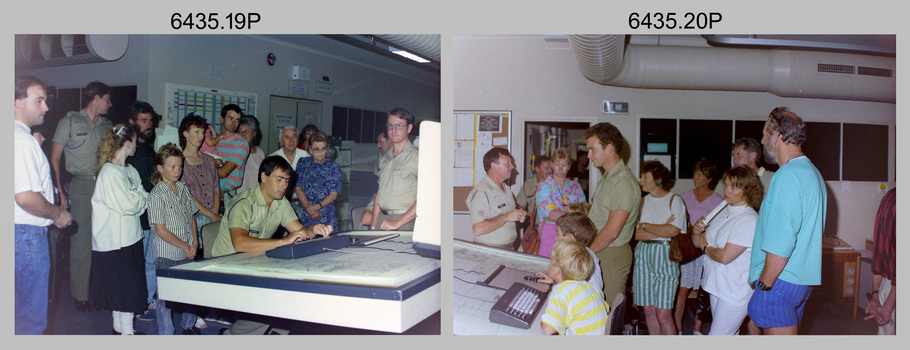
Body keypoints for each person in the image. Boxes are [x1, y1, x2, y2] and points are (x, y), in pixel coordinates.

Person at [209, 156, 332, 335]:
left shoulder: (280, 202)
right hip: (224, 267)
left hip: (253, 262)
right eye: (279, 180)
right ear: (264, 177)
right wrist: (282, 241)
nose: (284, 186)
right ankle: (233, 336)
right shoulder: (243, 203)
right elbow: (239, 243)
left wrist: (314, 230)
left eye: (287, 181)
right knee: (272, 298)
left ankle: (272, 333)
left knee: (292, 292)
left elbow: (299, 232)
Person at [747, 107, 827, 335]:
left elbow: (782, 240)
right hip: (801, 280)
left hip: (781, 280)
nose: (762, 141)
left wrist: (765, 282)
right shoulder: (812, 172)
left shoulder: (787, 176)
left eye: (765, 134)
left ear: (778, 136)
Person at [15, 75, 73, 334]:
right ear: (17, 102)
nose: (46, 108)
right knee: (30, 318)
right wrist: (58, 214)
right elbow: (26, 197)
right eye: (38, 101)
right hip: (26, 236)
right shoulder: (22, 141)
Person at [50, 81, 114, 312]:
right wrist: (60, 191)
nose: (110, 104)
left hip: (105, 186)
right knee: (81, 243)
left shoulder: (107, 125)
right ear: (96, 98)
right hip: (80, 186)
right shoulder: (69, 122)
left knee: (107, 241)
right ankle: (81, 295)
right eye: (107, 99)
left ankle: (103, 291)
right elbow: (55, 157)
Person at [90, 124, 149, 335]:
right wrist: (139, 199)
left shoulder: (130, 170)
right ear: (127, 143)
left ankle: (120, 330)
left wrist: (138, 199)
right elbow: (129, 204)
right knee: (123, 289)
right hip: (115, 242)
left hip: (131, 237)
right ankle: (126, 332)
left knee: (128, 287)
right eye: (134, 141)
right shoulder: (109, 172)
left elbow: (143, 197)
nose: (136, 145)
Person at [691, 165, 763, 335]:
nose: (727, 190)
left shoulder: (749, 219)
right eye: (726, 185)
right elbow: (698, 243)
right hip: (716, 286)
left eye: (734, 187)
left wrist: (705, 246)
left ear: (748, 190)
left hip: (734, 292)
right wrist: (696, 233)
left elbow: (724, 256)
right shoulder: (723, 211)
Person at [583, 122, 641, 301]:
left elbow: (612, 231)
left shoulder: (622, 182)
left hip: (610, 253)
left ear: (609, 148)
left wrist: (586, 253)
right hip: (600, 248)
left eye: (593, 149)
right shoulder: (608, 178)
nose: (588, 155)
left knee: (607, 313)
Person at [148, 143, 201, 335]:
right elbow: (160, 230)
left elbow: (191, 217)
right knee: (165, 299)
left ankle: (188, 326)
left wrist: (194, 242)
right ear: (160, 168)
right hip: (166, 254)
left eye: (180, 166)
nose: (177, 170)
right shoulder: (156, 195)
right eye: (172, 167)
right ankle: (166, 334)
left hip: (186, 251)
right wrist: (185, 245)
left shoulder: (183, 188)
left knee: (189, 292)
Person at [633, 160, 687, 335]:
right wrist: (661, 228)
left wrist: (646, 226)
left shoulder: (674, 200)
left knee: (663, 314)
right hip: (642, 255)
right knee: (648, 310)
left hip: (665, 257)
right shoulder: (640, 202)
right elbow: (633, 234)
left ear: (658, 180)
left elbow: (673, 230)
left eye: (645, 177)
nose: (640, 180)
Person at [674, 159, 724, 334]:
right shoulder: (684, 196)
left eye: (700, 174)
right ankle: (678, 329)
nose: (695, 177)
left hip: (705, 250)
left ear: (709, 178)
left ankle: (697, 329)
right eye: (695, 173)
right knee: (683, 289)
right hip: (688, 250)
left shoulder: (718, 201)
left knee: (703, 290)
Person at [125, 101, 161, 322]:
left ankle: (146, 300)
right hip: (137, 216)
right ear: (132, 122)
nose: (149, 125)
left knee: (150, 261)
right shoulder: (128, 151)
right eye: (144, 121)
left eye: (150, 121)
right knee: (136, 263)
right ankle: (135, 305)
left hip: (152, 215)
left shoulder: (149, 148)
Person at [540, 239, 609, 335]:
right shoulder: (588, 286)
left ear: (557, 270)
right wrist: (555, 281)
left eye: (551, 260)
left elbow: (548, 330)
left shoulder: (562, 291)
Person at [466, 147, 528, 250]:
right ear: (494, 166)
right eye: (507, 163)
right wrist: (506, 217)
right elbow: (478, 228)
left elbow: (505, 218)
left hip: (507, 249)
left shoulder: (506, 189)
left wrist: (519, 217)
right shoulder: (482, 192)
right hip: (489, 251)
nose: (512, 166)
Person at [370, 108, 420, 231]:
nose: (393, 130)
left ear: (408, 128)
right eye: (390, 125)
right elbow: (379, 193)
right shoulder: (384, 157)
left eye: (399, 126)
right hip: (382, 218)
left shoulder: (417, 156)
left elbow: (426, 198)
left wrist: (397, 223)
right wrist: (373, 225)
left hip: (404, 221)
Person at [534, 212, 604, 293]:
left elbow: (584, 290)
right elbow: (572, 282)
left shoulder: (582, 260)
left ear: (569, 238)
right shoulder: (576, 254)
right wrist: (555, 280)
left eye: (558, 234)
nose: (556, 238)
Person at [535, 148, 585, 258]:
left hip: (572, 236)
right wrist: (574, 215)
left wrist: (563, 214)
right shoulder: (544, 186)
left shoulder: (575, 186)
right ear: (552, 165)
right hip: (550, 235)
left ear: (569, 166)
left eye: (564, 165)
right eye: (557, 164)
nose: (561, 168)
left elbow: (584, 211)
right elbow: (551, 215)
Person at [294, 131, 342, 233]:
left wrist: (316, 207)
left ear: (327, 149)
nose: (320, 152)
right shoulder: (303, 163)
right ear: (310, 149)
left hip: (326, 217)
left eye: (323, 148)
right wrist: (309, 209)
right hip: (306, 216)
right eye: (316, 149)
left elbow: (333, 195)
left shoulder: (334, 167)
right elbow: (298, 188)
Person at [865, 187, 895, 335]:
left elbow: (879, 254)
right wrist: (889, 305)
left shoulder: (890, 196)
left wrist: (876, 294)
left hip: (887, 286)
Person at [210, 104, 250, 206]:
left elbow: (223, 172)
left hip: (227, 194)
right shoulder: (215, 140)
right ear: (222, 119)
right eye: (231, 118)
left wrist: (202, 172)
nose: (234, 123)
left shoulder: (242, 143)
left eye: (237, 120)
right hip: (209, 188)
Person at [269, 125, 311, 218]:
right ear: (281, 141)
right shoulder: (273, 159)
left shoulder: (307, 157)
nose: (291, 140)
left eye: (294, 136)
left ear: (298, 139)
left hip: (304, 205)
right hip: (281, 205)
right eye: (287, 137)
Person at [360, 130, 394, 229]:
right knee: (365, 219)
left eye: (381, 142)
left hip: (394, 196)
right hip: (381, 193)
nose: (378, 146)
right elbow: (379, 183)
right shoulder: (380, 158)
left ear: (390, 141)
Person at [517, 155, 553, 233]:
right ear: (537, 169)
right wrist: (525, 215)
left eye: (551, 168)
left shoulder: (556, 185)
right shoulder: (528, 185)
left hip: (552, 228)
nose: (550, 171)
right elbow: (520, 205)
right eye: (546, 168)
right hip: (535, 229)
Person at [237, 116, 265, 194]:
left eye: (246, 131)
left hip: (255, 196)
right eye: (239, 131)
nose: (242, 134)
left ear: (254, 133)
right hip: (238, 197)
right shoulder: (233, 152)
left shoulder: (260, 153)